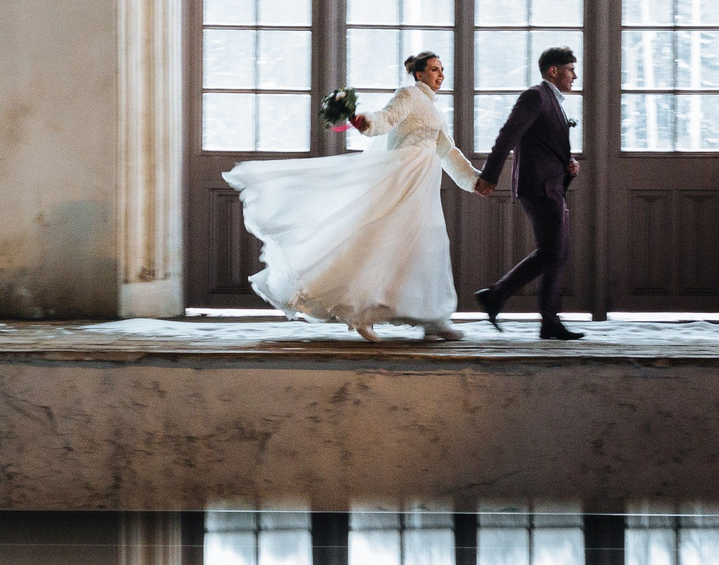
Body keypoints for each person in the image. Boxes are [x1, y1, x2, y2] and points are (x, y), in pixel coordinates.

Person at [223, 52, 482, 343]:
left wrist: (474, 180)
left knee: (424, 247)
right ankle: (366, 312)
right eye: (434, 69)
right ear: (419, 75)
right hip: (401, 180)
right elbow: (386, 119)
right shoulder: (408, 94)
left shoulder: (435, 111)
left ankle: (431, 320)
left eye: (442, 70)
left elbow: (447, 151)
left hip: (422, 186)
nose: (441, 74)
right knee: (382, 243)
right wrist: (363, 121)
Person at [473, 46, 584, 341]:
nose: (575, 75)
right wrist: (489, 176)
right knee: (553, 251)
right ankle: (497, 296)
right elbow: (508, 135)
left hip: (552, 184)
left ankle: (548, 321)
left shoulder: (554, 101)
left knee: (556, 253)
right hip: (539, 187)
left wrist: (567, 163)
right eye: (571, 69)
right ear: (553, 71)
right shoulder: (535, 96)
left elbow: (546, 144)